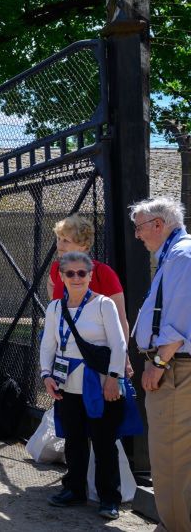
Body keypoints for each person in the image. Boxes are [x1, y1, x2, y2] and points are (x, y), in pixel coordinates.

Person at [40, 251, 127, 520]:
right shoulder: (55, 308)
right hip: (66, 385)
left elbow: (119, 344)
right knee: (74, 441)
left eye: (82, 273)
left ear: (90, 276)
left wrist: (113, 378)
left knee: (104, 443)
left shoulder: (103, 305)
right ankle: (74, 489)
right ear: (61, 277)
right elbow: (48, 344)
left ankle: (109, 498)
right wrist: (46, 375)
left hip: (99, 385)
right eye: (70, 273)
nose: (76, 278)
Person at [130, 197, 191, 532]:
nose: (138, 236)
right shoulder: (175, 256)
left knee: (169, 461)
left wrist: (157, 361)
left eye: (139, 228)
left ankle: (175, 526)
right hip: (175, 367)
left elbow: (180, 321)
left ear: (158, 224)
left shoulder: (181, 256)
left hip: (175, 370)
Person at [47, 215, 130, 376]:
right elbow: (50, 283)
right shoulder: (57, 268)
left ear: (83, 246)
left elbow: (121, 320)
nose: (59, 245)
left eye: (66, 240)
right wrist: (57, 307)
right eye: (58, 238)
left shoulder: (103, 273)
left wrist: (123, 358)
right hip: (63, 355)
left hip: (95, 359)